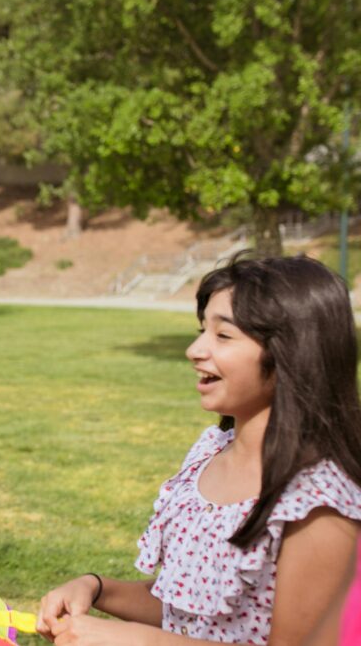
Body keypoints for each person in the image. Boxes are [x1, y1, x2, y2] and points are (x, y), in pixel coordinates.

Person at [37, 255, 361, 645]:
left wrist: (140, 642)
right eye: (201, 330)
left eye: (223, 336)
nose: (194, 350)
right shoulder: (210, 453)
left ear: (291, 352)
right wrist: (96, 588)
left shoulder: (317, 501)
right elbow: (192, 612)